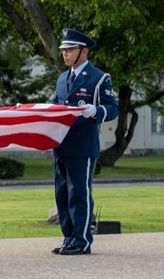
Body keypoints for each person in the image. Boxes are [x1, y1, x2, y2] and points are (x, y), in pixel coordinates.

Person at [50, 28, 119, 255]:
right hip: (61, 145)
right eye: (64, 50)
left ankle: (82, 241)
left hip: (82, 146)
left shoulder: (99, 78)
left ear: (84, 51)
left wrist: (95, 110)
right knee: (62, 195)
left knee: (79, 193)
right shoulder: (62, 79)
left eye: (70, 49)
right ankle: (69, 238)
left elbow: (113, 109)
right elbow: (53, 109)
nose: (65, 54)